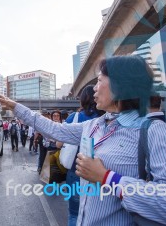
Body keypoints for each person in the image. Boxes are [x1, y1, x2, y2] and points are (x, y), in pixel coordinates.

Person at [0, 55, 166, 225]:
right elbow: (55, 130)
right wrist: (15, 106)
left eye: (99, 81)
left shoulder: (154, 131)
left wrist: (108, 178)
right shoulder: (95, 125)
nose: (94, 89)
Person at [63, 85, 104, 226]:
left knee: (74, 213)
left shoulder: (74, 117)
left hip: (76, 170)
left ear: (83, 100)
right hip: (102, 172)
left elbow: (58, 143)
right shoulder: (104, 117)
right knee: (98, 212)